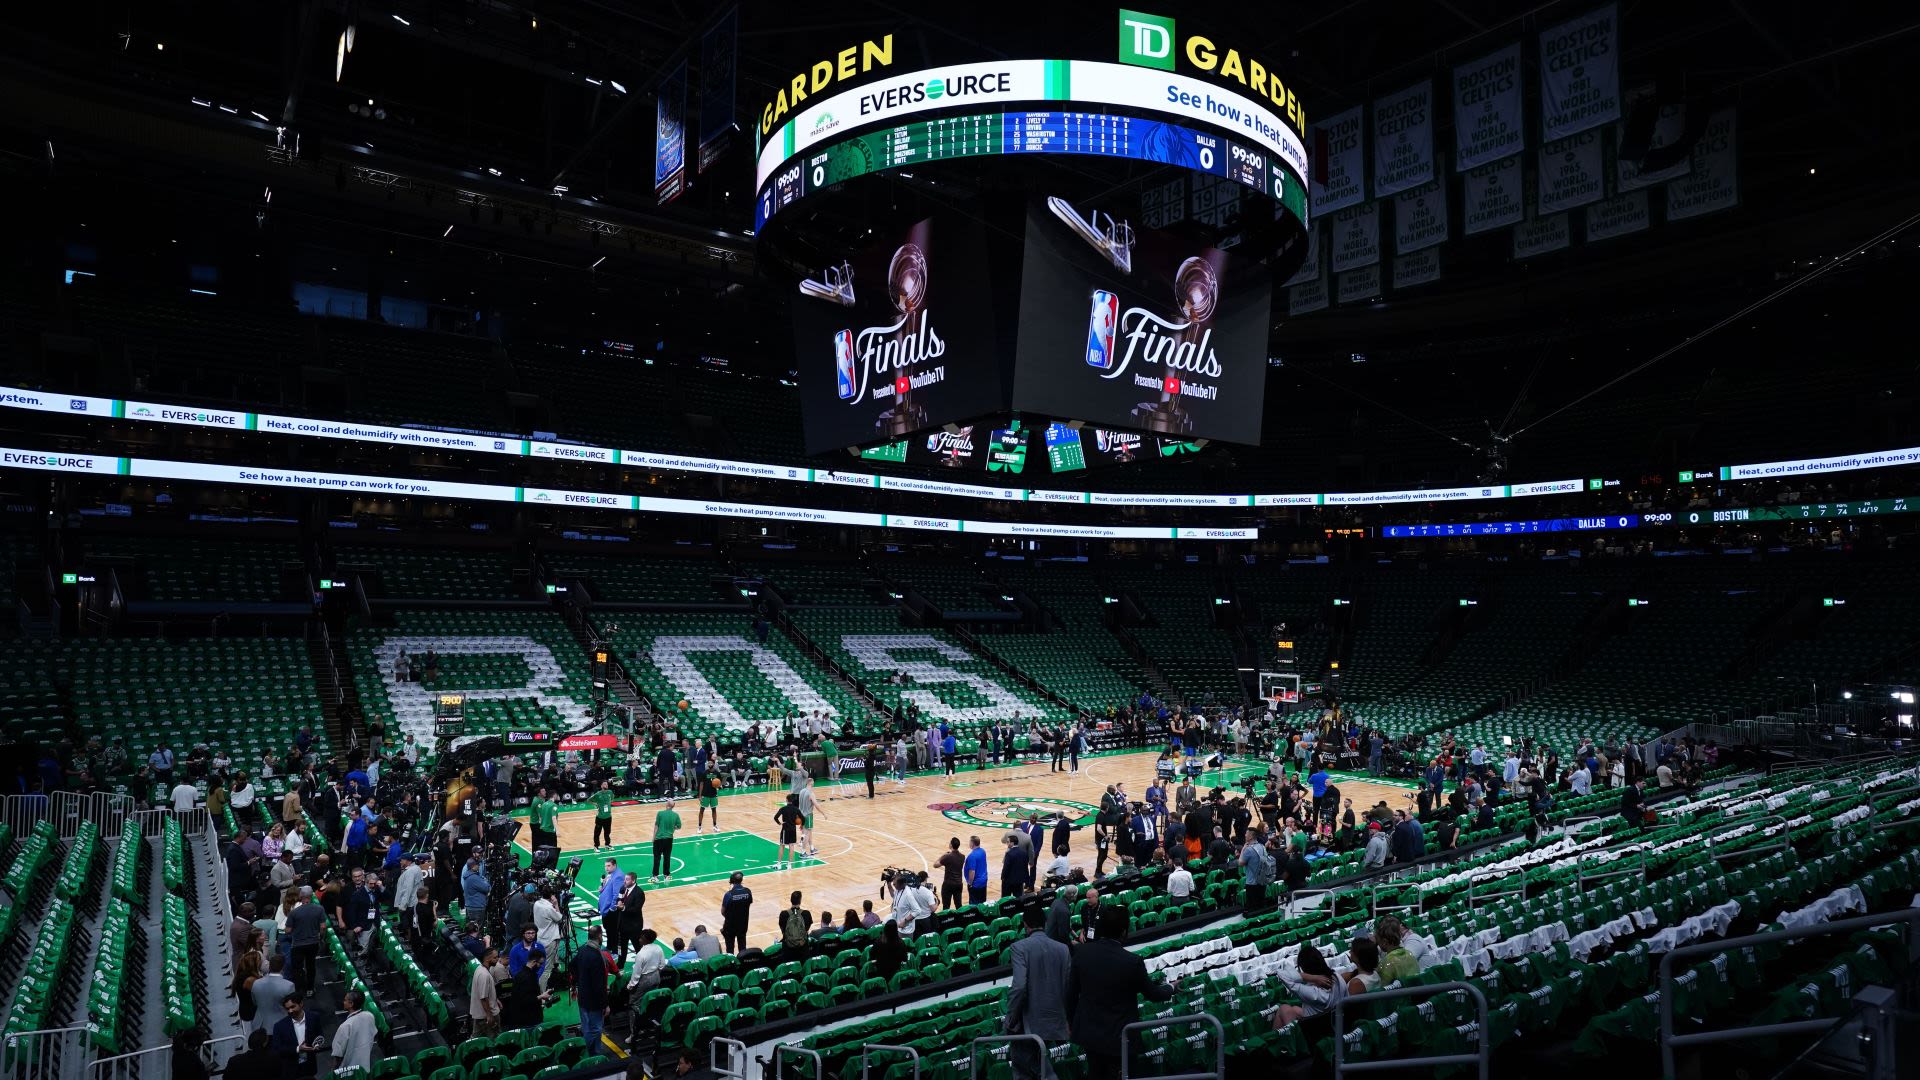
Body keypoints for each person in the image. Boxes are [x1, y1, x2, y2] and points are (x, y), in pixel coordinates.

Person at [1067, 907, 1176, 1080]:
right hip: (1120, 1037)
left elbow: (1070, 995)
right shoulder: (1132, 961)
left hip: (1090, 1035)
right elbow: (1153, 994)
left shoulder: (1081, 954)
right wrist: (1171, 987)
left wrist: (1071, 1023)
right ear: (1124, 931)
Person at [1006, 905, 1073, 1080]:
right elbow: (1068, 988)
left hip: (1028, 1022)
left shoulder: (1019, 947)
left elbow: (1019, 986)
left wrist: (1011, 1018)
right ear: (1044, 923)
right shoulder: (1063, 949)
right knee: (1037, 1065)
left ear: (1025, 924)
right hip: (1055, 1020)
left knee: (1025, 1070)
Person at [1270, 945, 1345, 1030]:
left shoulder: (1314, 993)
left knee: (1283, 1008)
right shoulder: (1337, 977)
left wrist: (1313, 977)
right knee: (1292, 1009)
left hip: (1312, 1028)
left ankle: (1278, 1040)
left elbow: (1281, 974)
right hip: (1334, 1021)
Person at [573, 926, 614, 1056]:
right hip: (594, 1002)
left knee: (586, 1028)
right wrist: (605, 1004)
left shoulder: (582, 950)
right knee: (596, 1029)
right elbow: (598, 985)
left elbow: (571, 966)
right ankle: (586, 1052)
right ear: (600, 936)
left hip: (583, 997)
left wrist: (580, 981)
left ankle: (591, 1052)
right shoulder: (597, 956)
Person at [269, 994, 326, 1079]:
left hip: (309, 1065)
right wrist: (297, 1049)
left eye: (293, 1007)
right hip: (291, 1068)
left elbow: (319, 1034)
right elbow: (276, 1049)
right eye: (287, 1009)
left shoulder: (314, 1017)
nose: (290, 1011)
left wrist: (317, 1044)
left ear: (301, 1004)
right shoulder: (279, 1026)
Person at [285, 892, 326, 996]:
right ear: (311, 897)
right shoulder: (320, 909)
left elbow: (288, 930)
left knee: (297, 968)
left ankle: (299, 990)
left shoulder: (294, 912)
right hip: (313, 943)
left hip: (298, 944)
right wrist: (321, 937)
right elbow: (323, 927)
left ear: (300, 898)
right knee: (311, 966)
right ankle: (310, 989)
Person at [331, 989, 377, 1074]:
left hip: (348, 1073)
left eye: (345, 1000)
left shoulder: (345, 1026)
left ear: (351, 1004)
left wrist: (333, 1073)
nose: (343, 1002)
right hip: (365, 1069)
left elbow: (338, 1056)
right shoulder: (370, 1016)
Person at [250, 954, 297, 1032]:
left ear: (270, 966)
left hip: (259, 1026)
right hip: (280, 1026)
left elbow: (254, 1002)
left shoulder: (256, 983)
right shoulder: (289, 986)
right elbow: (292, 1008)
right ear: (283, 967)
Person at [720, 872, 753, 953]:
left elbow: (723, 911)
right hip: (743, 924)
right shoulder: (748, 892)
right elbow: (749, 903)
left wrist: (730, 917)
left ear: (732, 881)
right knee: (742, 946)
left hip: (730, 925)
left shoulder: (729, 894)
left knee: (730, 948)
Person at [626, 928, 666, 996]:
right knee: (652, 997)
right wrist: (655, 973)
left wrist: (630, 985)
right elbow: (662, 965)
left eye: (641, 938)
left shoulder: (641, 954)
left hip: (645, 980)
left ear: (645, 940)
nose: (639, 940)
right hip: (656, 977)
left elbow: (636, 973)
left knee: (635, 1000)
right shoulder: (658, 947)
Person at [598, 860, 627, 952]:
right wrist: (602, 889)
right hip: (605, 908)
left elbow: (616, 894)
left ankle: (614, 950)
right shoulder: (611, 874)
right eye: (605, 866)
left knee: (613, 931)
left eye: (609, 866)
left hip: (611, 910)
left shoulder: (618, 876)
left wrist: (612, 908)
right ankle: (609, 946)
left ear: (614, 865)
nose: (606, 868)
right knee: (608, 929)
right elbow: (608, 888)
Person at [651, 799, 683, 882]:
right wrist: (673, 828)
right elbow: (679, 826)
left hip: (659, 839)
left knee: (657, 858)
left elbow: (656, 826)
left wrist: (653, 837)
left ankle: (655, 876)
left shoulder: (660, 813)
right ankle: (666, 875)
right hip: (669, 839)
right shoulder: (675, 815)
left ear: (667, 804)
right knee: (667, 857)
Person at [774, 793, 803, 869]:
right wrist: (801, 825)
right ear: (793, 801)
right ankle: (789, 864)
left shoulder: (783, 809)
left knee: (782, 845)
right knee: (792, 846)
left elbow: (775, 817)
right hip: (793, 830)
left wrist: (780, 823)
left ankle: (779, 864)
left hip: (785, 830)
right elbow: (803, 818)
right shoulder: (796, 809)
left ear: (786, 800)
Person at [936, 837, 966, 910]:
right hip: (959, 883)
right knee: (959, 905)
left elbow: (935, 865)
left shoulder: (947, 856)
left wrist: (943, 855)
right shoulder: (963, 856)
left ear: (951, 845)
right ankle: (961, 920)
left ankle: (947, 920)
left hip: (948, 884)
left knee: (946, 906)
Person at [461, 856, 491, 924]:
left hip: (471, 906)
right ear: (473, 866)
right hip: (477, 908)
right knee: (476, 931)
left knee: (471, 929)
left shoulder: (468, 875)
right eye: (477, 864)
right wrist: (486, 881)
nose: (479, 866)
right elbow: (487, 888)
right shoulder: (474, 878)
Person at [964, 835, 990, 906]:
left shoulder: (972, 856)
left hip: (976, 884)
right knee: (982, 904)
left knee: (974, 906)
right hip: (983, 881)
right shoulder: (983, 851)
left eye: (969, 842)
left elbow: (972, 871)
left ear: (972, 843)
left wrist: (970, 883)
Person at [1001, 833, 1028, 899]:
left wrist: (1002, 877)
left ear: (1012, 843)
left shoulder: (1009, 854)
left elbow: (1006, 868)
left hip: (1008, 881)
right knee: (1019, 899)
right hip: (1019, 881)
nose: (1007, 844)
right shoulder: (1024, 853)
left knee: (1006, 899)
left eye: (1008, 842)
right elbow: (1025, 867)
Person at [590, 781, 615, 849]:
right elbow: (589, 800)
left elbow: (612, 798)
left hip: (608, 816)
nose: (606, 785)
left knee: (607, 832)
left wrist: (608, 803)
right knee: (597, 833)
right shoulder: (598, 794)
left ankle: (607, 844)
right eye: (604, 784)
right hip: (600, 817)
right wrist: (595, 804)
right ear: (601, 786)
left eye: (607, 784)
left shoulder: (610, 792)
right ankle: (596, 846)